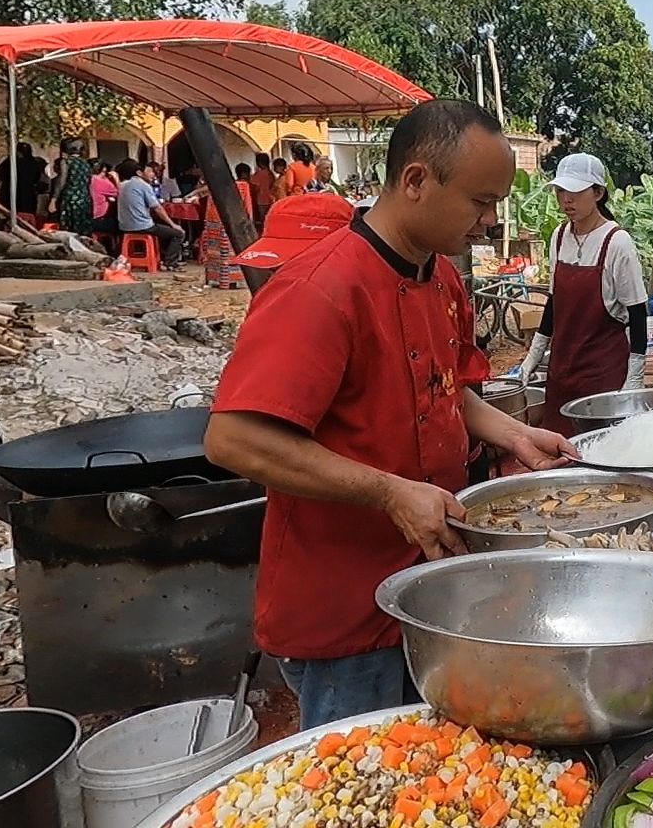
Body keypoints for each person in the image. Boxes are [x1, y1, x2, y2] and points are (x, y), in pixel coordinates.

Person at [205, 99, 575, 730]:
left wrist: (516, 433)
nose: (489, 222)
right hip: (344, 611)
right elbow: (233, 439)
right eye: (480, 202)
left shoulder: (443, 279)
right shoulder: (321, 289)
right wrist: (390, 492)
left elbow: (445, 389)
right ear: (415, 182)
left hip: (431, 586)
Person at [518, 153, 650, 434]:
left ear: (598, 193)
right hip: (562, 371)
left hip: (602, 374)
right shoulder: (558, 237)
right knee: (559, 450)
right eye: (561, 190)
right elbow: (553, 305)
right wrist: (534, 356)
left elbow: (637, 314)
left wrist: (635, 378)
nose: (567, 199)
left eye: (576, 191)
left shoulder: (617, 243)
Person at [116, 159, 187, 269]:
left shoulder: (123, 185)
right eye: (149, 171)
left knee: (162, 230)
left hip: (124, 226)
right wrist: (173, 225)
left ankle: (162, 258)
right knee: (178, 233)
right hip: (142, 226)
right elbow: (157, 208)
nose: (153, 175)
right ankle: (170, 263)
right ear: (139, 173)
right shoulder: (143, 185)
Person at [51, 139, 95, 235]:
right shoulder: (86, 164)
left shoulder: (66, 162)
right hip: (85, 199)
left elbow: (62, 181)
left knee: (69, 230)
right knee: (83, 229)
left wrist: (54, 199)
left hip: (70, 198)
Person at [251, 156, 275, 228]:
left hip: (262, 200)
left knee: (263, 220)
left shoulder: (258, 174)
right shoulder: (271, 173)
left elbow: (255, 187)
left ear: (259, 163)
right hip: (271, 199)